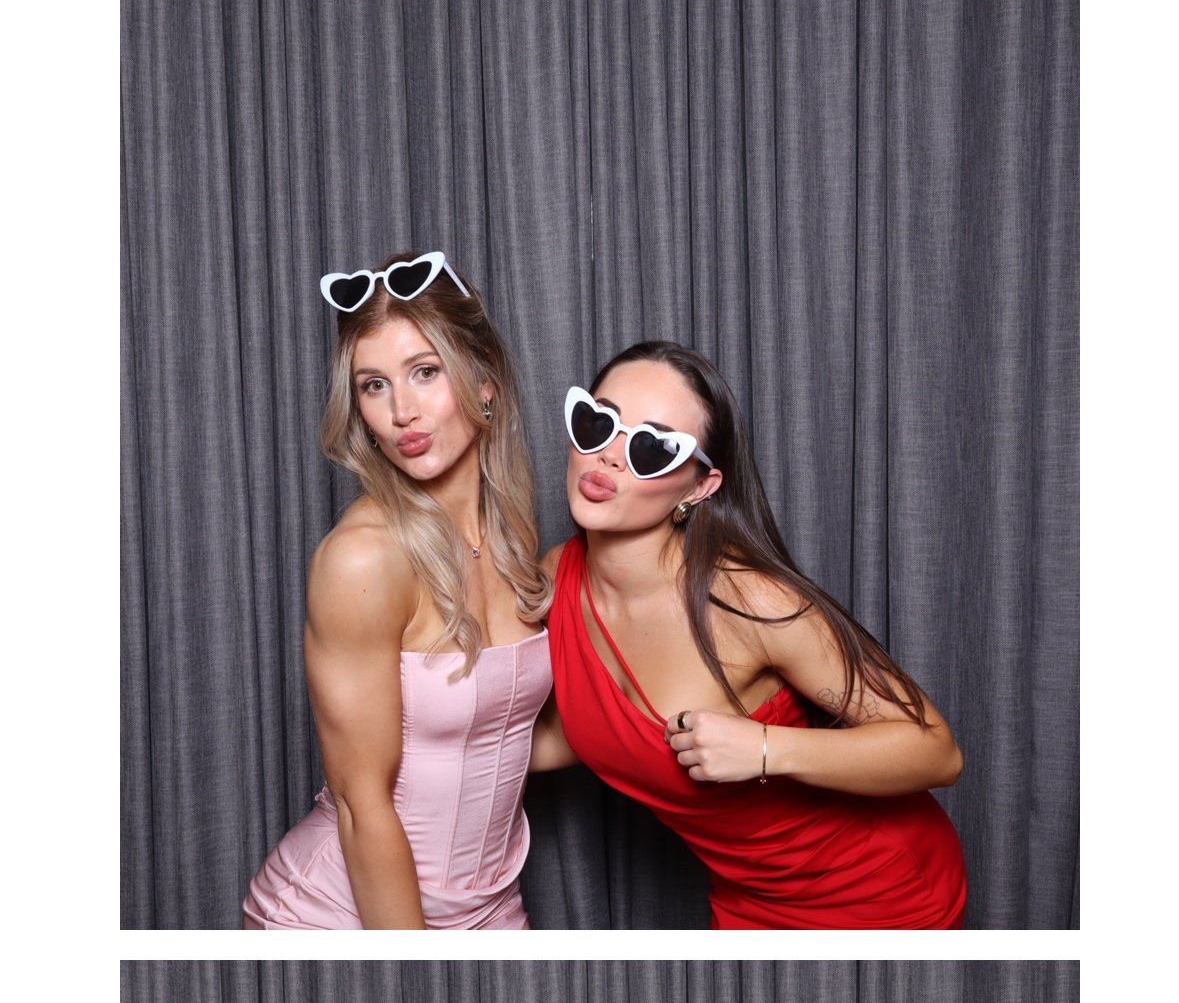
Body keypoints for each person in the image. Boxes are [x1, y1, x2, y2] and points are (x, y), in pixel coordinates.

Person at [541, 341, 967, 929]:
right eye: (598, 423)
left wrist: (766, 750)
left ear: (698, 487)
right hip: (746, 898)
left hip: (874, 889)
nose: (610, 457)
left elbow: (936, 750)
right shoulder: (554, 581)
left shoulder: (746, 600)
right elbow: (596, 729)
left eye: (651, 447)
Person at [243, 254, 559, 931]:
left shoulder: (509, 531)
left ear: (485, 382)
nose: (401, 412)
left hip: (490, 907)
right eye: (373, 385)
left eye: (424, 371)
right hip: (346, 917)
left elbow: (499, 736)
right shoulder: (363, 558)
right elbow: (363, 806)